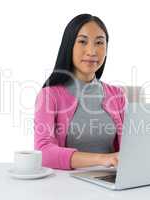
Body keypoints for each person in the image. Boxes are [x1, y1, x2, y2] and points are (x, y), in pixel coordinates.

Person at [34, 14, 126, 170]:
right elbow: (44, 152)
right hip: (67, 186)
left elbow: (130, 148)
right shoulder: (49, 95)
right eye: (82, 41)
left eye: (99, 42)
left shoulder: (117, 95)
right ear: (69, 45)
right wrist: (102, 159)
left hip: (110, 183)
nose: (91, 51)